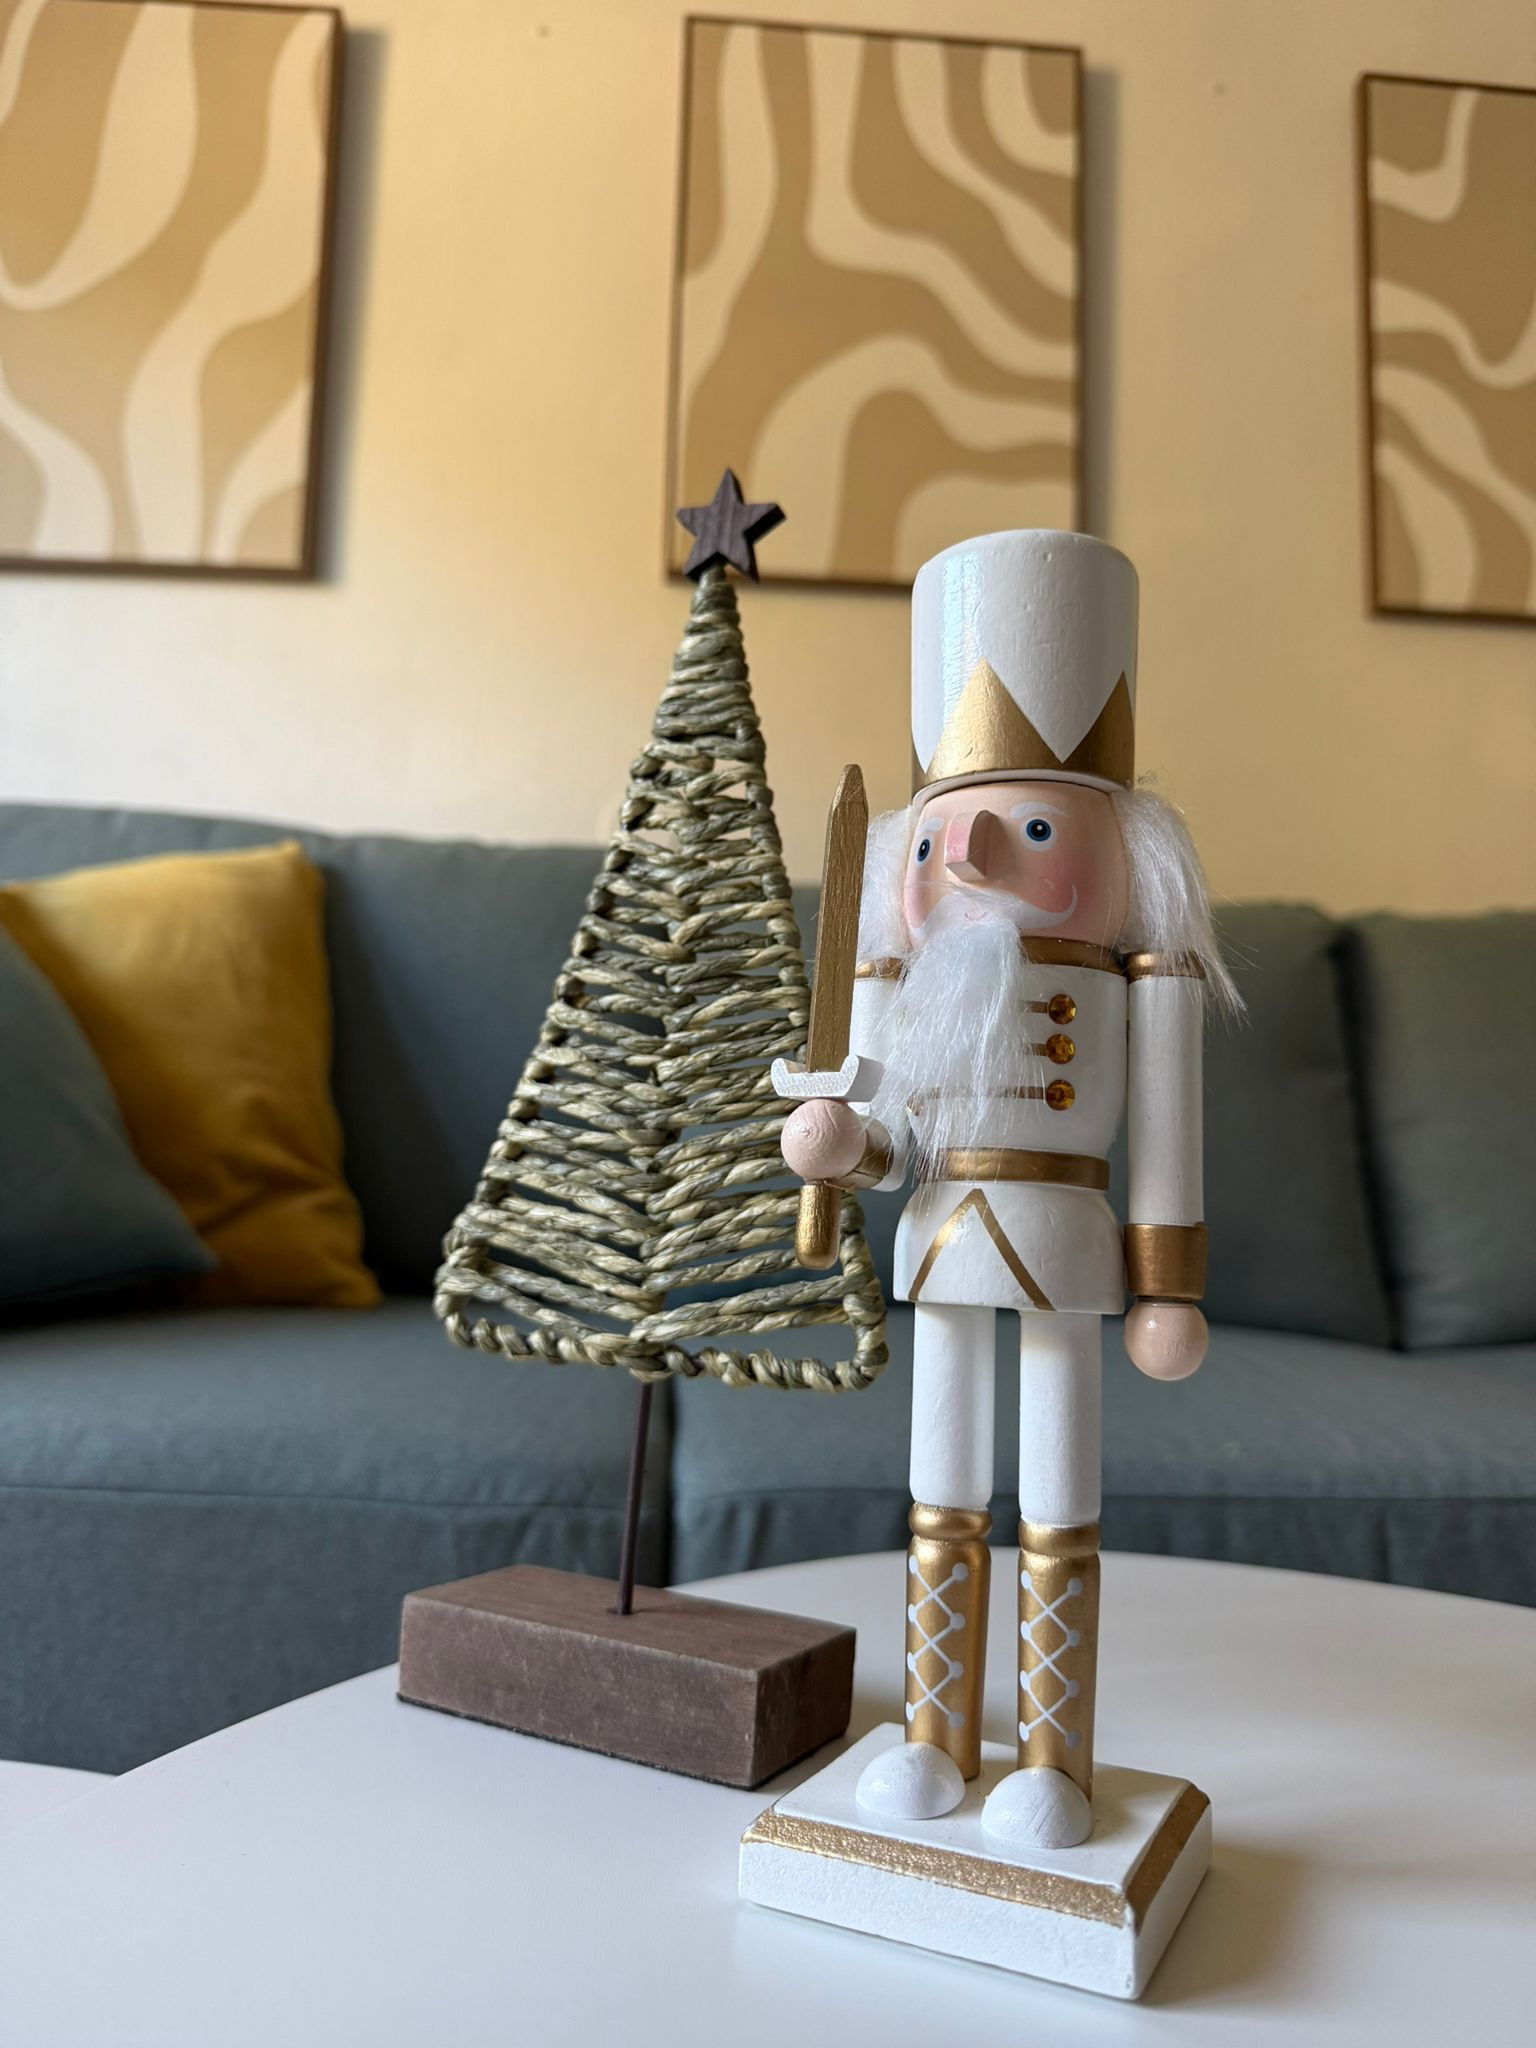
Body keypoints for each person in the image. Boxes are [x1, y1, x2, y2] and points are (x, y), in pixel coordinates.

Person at [781, 530, 1237, 1849]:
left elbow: (1167, 1143)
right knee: (938, 1493)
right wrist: (838, 1147)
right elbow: (887, 1144)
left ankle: (1051, 1758)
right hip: (941, 1239)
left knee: (1057, 1503)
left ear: (1130, 851)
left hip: (1067, 1243)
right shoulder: (896, 980)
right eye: (942, 836)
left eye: (1036, 828)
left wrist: (1169, 1288)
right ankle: (934, 1736)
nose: (973, 853)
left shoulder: (1145, 986)